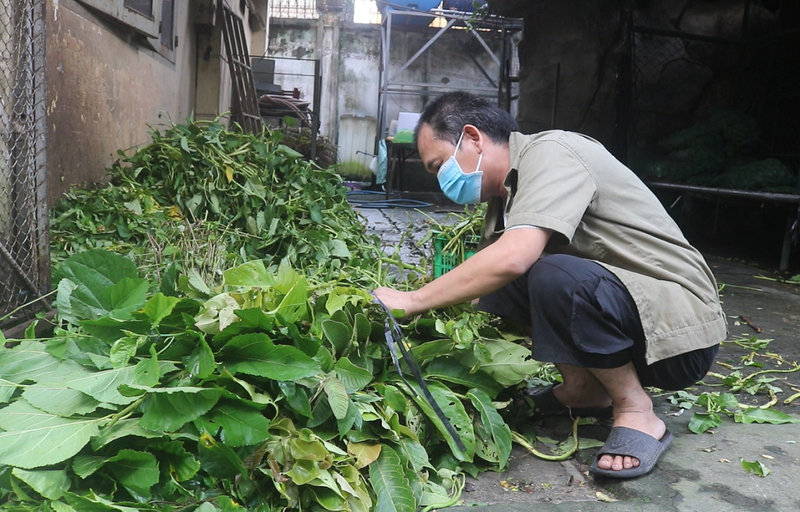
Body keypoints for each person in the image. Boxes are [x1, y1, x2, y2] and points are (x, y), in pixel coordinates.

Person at [373, 91, 726, 479]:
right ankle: (584, 390)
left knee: (550, 272)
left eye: (439, 164)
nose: (442, 180)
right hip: (636, 329)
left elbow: (515, 257)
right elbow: (485, 283)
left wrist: (413, 299)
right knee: (502, 279)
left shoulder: (554, 151)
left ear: (473, 138)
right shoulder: (505, 202)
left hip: (679, 340)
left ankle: (636, 411)